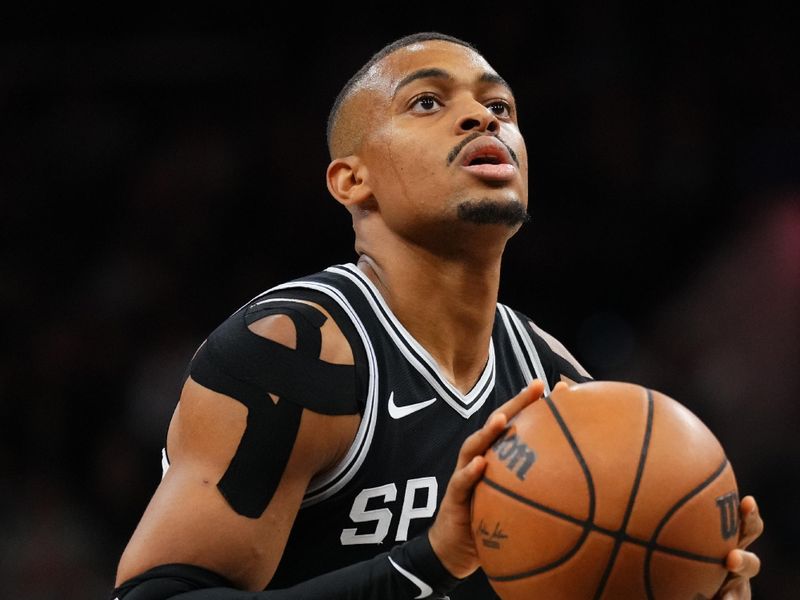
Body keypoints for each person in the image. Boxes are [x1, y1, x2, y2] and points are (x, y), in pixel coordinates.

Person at [110, 32, 763, 599]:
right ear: (351, 181)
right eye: (427, 101)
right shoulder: (292, 352)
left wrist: (688, 577)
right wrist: (430, 562)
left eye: (500, 106)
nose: (482, 118)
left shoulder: (554, 381)